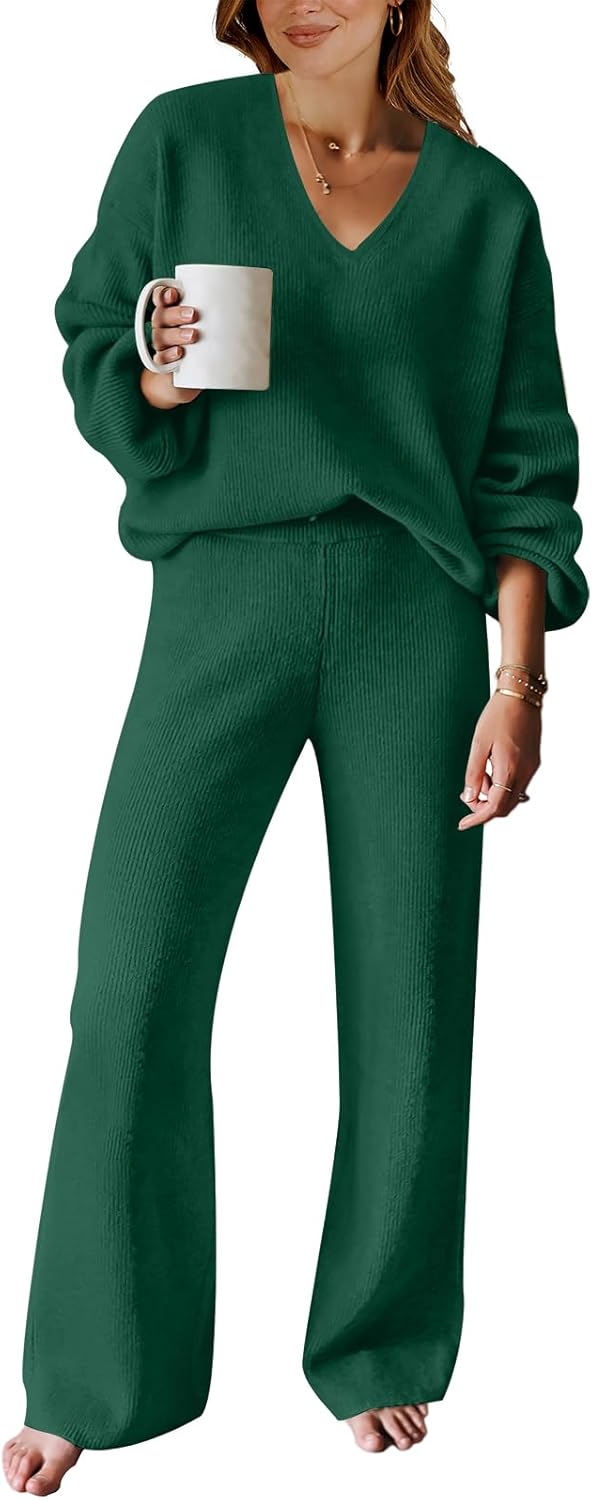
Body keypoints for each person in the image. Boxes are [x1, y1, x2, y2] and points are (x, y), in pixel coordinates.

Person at [3, 0, 588, 1491]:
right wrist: (155, 369)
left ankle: (380, 1345)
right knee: (131, 976)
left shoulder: (487, 207)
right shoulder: (182, 140)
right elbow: (93, 337)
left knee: (411, 991)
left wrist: (519, 684)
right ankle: (97, 1368)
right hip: (224, 592)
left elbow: (526, 468)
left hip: (417, 618)